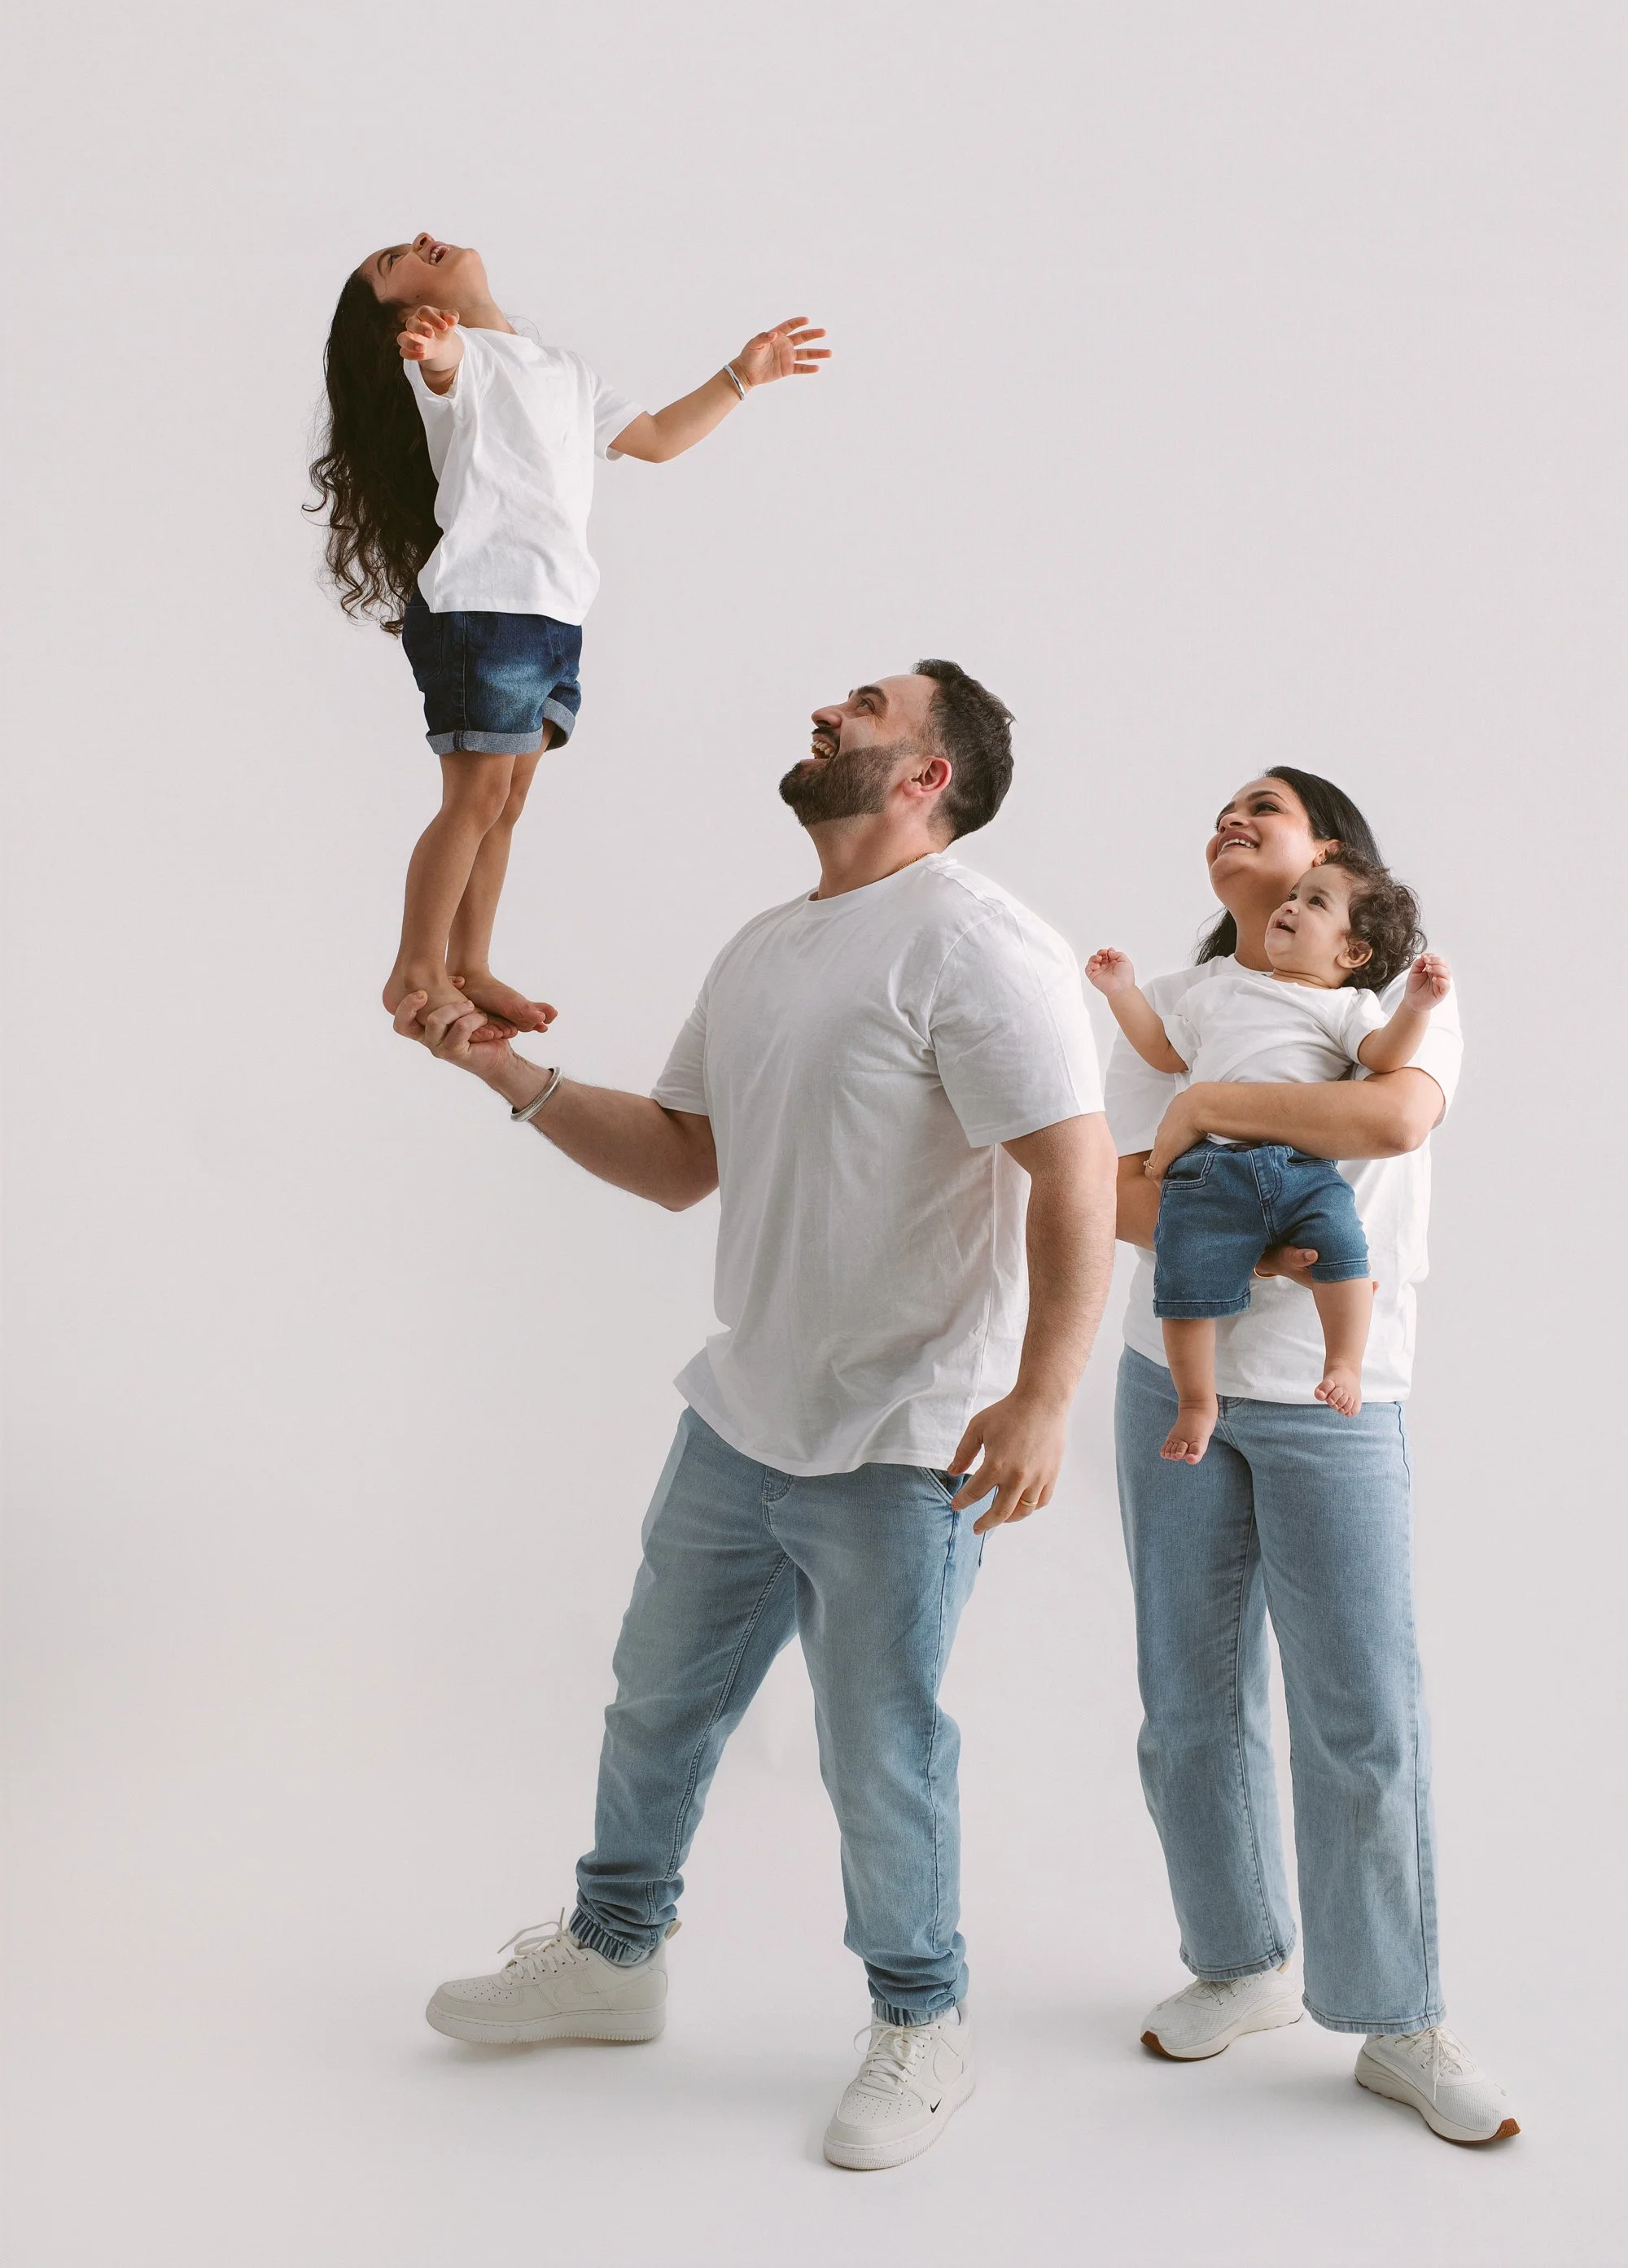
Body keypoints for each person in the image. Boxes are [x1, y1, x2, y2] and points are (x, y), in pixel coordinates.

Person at [393, 660, 1118, 2170]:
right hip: (746, 1412)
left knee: (878, 1746)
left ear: (930, 777)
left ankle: (923, 2024)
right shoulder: (767, 946)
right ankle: (613, 1959)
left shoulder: (987, 946)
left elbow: (1074, 1168)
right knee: (655, 1699)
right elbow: (676, 1160)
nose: (826, 713)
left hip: (908, 1436)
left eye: (866, 706)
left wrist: (1044, 1394)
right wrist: (499, 1066)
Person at [1105, 766, 1518, 2145]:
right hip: (1170, 1379)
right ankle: (1240, 1965)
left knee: (1362, 1716)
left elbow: (1390, 1118)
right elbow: (1116, 1190)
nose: (1230, 818)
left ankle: (1400, 2020)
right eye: (1220, 805)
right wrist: (1206, 1149)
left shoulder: (1396, 1001)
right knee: (1189, 1697)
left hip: (1336, 1405)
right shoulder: (1182, 1003)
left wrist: (1216, 1117)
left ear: (1331, 861)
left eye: (1264, 809)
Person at [307, 229, 829, 1038]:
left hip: (551, 615)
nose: (416, 240)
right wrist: (435, 352)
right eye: (391, 262)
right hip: (484, 611)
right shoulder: (455, 359)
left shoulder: (563, 371)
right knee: (475, 796)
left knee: (505, 803)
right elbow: (442, 373)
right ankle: (414, 967)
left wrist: (742, 375)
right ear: (410, 316)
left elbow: (654, 439)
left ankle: (468, 964)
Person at [1088, 857, 1453, 1460]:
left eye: (1315, 903)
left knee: (1346, 1255)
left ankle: (1343, 1364)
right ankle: (1196, 1403)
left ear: (1353, 954)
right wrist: (1121, 993)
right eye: (1293, 897)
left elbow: (1386, 1059)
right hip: (1211, 1170)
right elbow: (1160, 1050)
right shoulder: (1216, 994)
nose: (1290, 907)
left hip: (1303, 1170)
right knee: (1184, 1284)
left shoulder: (1347, 1008)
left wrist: (1414, 1007)